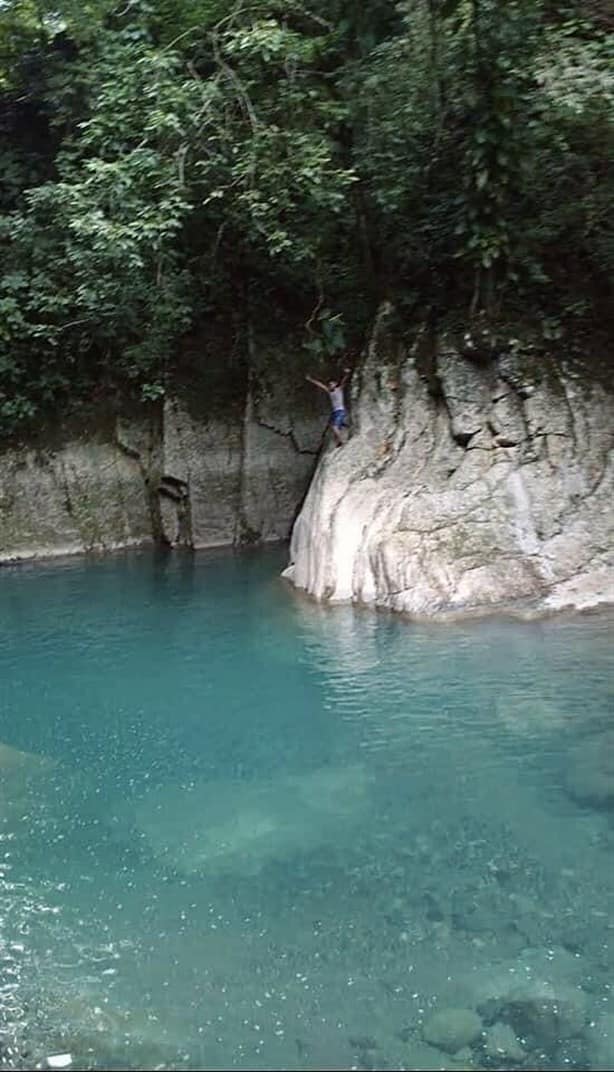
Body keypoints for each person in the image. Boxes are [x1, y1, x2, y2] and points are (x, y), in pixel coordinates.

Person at [306, 366, 352, 447]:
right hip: (335, 412)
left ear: (335, 384)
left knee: (335, 427)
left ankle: (342, 442)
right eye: (329, 384)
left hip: (340, 411)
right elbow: (320, 385)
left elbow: (343, 381)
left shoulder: (339, 390)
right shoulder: (330, 392)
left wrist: (347, 374)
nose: (330, 385)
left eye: (331, 384)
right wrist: (311, 379)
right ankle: (344, 430)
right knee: (334, 426)